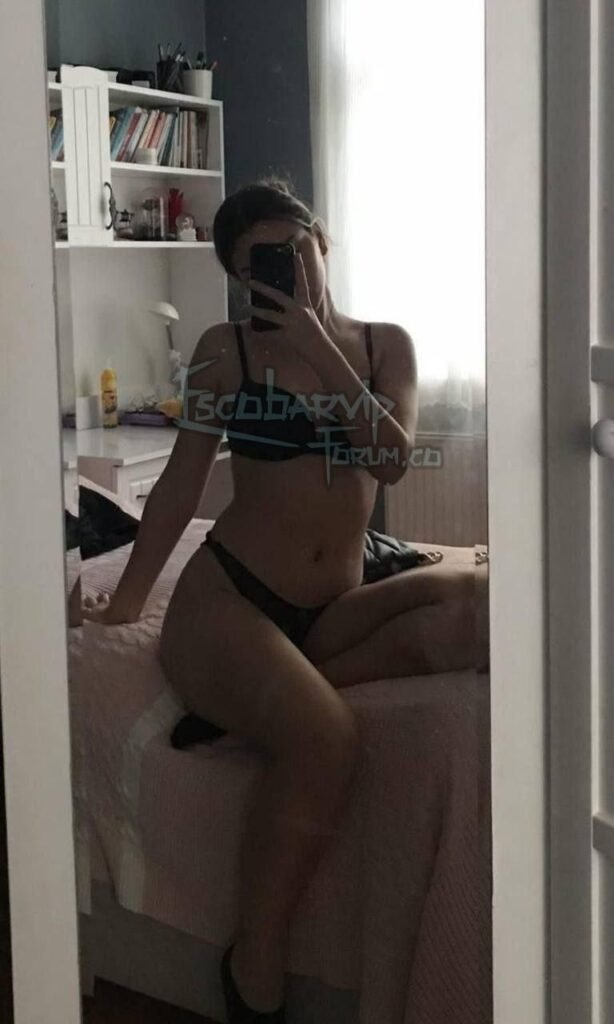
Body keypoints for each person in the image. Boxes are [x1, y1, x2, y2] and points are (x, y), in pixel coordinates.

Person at [83, 181, 478, 1023]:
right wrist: (127, 602)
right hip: (232, 602)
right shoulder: (225, 352)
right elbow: (182, 482)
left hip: (335, 602)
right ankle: (253, 964)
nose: (286, 269)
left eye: (294, 248)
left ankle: (246, 706)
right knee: (326, 739)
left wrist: (319, 346)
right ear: (239, 278)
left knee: (476, 609)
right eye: (259, 263)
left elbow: (392, 458)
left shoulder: (385, 345)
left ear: (321, 241)